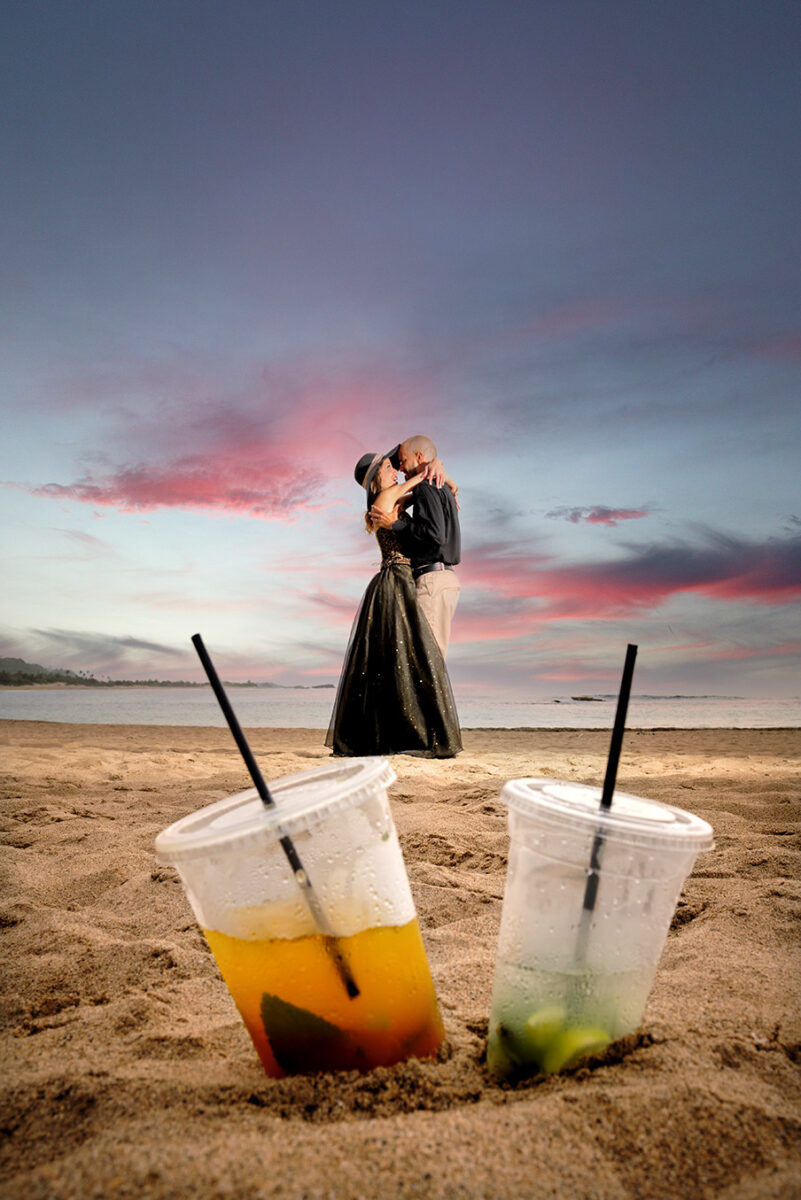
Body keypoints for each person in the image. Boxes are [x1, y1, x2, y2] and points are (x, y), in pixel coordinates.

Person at [325, 450, 462, 758]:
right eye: (388, 467)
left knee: (398, 658)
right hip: (395, 580)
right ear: (376, 479)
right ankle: (411, 732)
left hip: (402, 578)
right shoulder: (384, 499)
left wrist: (444, 476)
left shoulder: (394, 500)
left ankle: (403, 731)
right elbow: (419, 482)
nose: (395, 470)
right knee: (405, 655)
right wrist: (432, 467)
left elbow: (424, 490)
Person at [370, 435, 461, 658]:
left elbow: (433, 535)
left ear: (419, 456)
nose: (400, 469)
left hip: (432, 580)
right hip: (444, 578)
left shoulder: (425, 485)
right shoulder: (437, 483)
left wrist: (395, 525)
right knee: (431, 657)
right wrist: (441, 472)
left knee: (425, 659)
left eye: (402, 461)